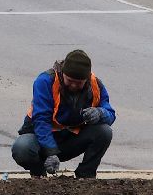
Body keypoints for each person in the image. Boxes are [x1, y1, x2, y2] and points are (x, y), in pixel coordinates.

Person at [11, 48, 115, 178]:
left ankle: (86, 175)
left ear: (86, 79)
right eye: (70, 81)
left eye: (79, 83)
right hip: (41, 139)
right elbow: (41, 120)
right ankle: (38, 174)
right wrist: (50, 151)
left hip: (70, 140)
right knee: (22, 147)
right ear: (63, 74)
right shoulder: (45, 81)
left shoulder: (95, 85)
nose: (73, 85)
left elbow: (110, 114)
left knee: (104, 132)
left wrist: (100, 113)